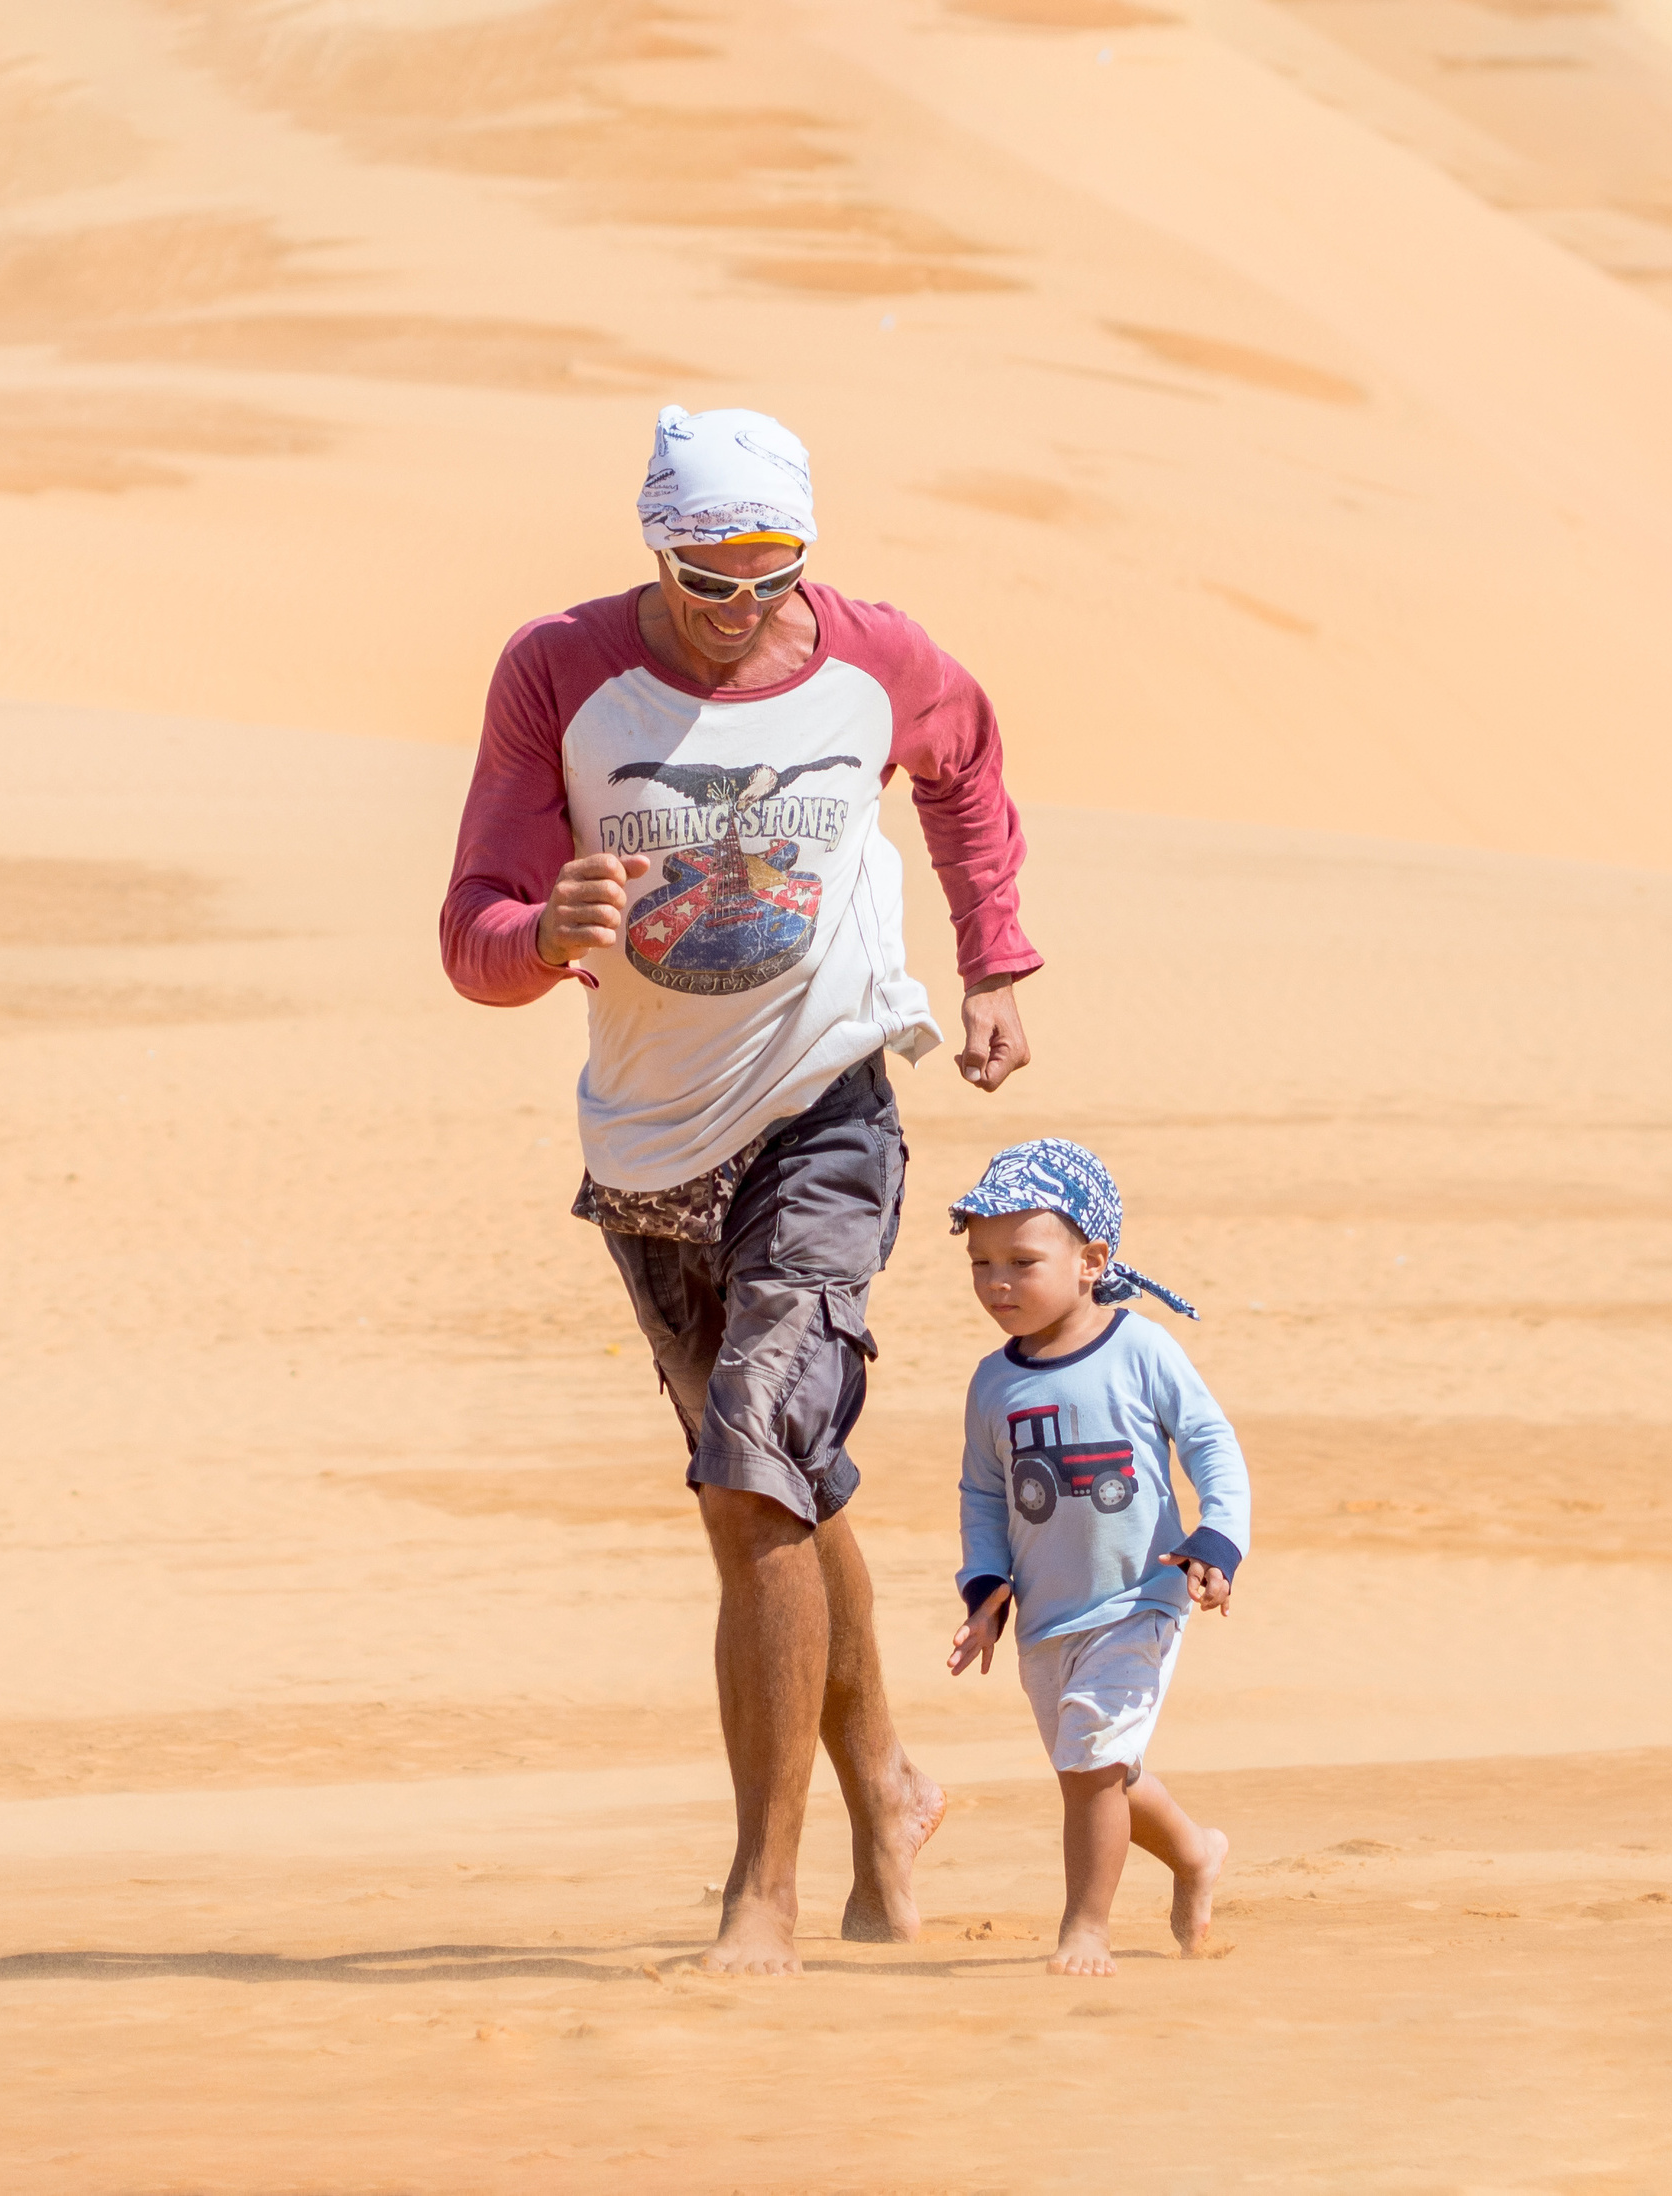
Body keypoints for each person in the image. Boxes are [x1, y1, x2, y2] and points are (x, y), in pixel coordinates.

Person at [440, 404, 1043, 1974]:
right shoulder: (557, 672)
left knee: (750, 1467)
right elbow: (474, 940)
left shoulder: (871, 658)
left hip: (825, 1104)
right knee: (775, 1487)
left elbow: (966, 763)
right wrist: (542, 932)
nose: (742, 601)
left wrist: (993, 961)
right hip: (647, 1144)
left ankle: (759, 1895)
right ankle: (892, 1784)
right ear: (657, 546)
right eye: (709, 572)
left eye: (772, 567)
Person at [944, 1138, 1250, 1975]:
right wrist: (984, 1593)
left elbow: (1211, 1446)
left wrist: (1215, 1543)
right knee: (1100, 1771)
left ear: (1092, 1260)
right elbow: (982, 1495)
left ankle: (1086, 1928)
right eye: (981, 1264)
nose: (998, 1282)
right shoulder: (992, 1383)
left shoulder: (1141, 1350)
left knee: (1089, 1765)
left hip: (1140, 1599)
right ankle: (1193, 1853)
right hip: (1048, 1614)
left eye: (1022, 1261)